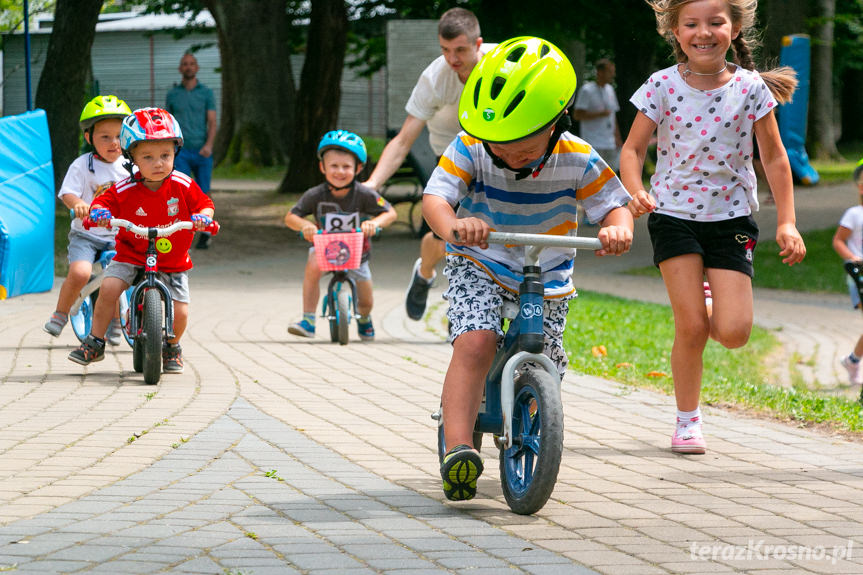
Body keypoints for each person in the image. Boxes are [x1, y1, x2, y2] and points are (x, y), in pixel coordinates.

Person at [423, 37, 633, 501]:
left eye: (520, 147)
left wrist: (619, 230)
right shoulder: (472, 146)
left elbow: (614, 206)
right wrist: (455, 225)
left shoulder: (578, 157)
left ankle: (532, 413)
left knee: (548, 361)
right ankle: (458, 445)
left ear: (556, 123)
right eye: (498, 145)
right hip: (481, 261)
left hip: (547, 272)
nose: (506, 155)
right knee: (476, 342)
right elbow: (435, 198)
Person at [620, 0, 807, 455]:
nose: (704, 32)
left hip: (732, 220)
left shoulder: (750, 88)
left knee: (734, 333)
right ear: (675, 32)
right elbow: (632, 150)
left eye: (715, 22)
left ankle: (711, 291)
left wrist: (788, 221)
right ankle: (687, 422)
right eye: (692, 24)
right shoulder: (660, 86)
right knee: (691, 328)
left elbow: (776, 157)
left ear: (734, 27)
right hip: (674, 216)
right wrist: (634, 191)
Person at [363, 7, 492, 322]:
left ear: (479, 45)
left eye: (460, 50)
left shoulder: (502, 65)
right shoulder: (435, 77)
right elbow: (404, 140)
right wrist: (371, 185)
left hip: (494, 152)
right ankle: (425, 272)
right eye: (445, 50)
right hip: (451, 156)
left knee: (493, 228)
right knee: (443, 235)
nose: (453, 59)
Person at [68, 108, 215, 373]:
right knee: (110, 288)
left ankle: (172, 346)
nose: (158, 163)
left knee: (180, 311)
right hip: (131, 253)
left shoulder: (182, 184)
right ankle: (96, 341)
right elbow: (104, 201)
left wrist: (203, 217)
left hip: (173, 260)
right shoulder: (124, 188)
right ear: (131, 158)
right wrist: (99, 213)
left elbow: (204, 204)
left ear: (175, 153)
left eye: (165, 155)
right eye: (148, 156)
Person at [285, 130, 397, 341]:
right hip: (325, 250)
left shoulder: (364, 194)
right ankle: (308, 319)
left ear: (358, 169)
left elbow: (390, 213)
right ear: (322, 167)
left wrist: (374, 223)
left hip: (357, 255)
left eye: (346, 166)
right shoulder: (315, 195)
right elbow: (290, 217)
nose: (340, 171)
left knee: (366, 302)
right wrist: (304, 226)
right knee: (312, 265)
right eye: (334, 166)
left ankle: (364, 318)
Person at [43, 95, 132, 344]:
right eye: (105, 137)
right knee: (81, 273)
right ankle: (61, 312)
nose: (114, 143)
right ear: (89, 138)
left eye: (119, 136)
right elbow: (67, 193)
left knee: (119, 277)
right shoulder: (83, 165)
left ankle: (117, 320)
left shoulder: (130, 166)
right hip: (87, 234)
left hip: (118, 235)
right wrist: (79, 205)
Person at [166, 52, 217, 249]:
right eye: (185, 64)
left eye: (192, 64)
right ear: (180, 69)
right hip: (182, 152)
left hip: (202, 150)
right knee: (181, 193)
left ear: (196, 68)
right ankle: (181, 232)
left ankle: (205, 232)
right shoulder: (173, 94)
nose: (188, 67)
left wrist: (209, 145)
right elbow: (167, 123)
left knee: (204, 192)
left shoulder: (206, 93)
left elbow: (212, 121)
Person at [833, 158, 863, 385]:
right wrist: (852, 258)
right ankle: (853, 360)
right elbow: (838, 241)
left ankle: (853, 360)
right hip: (859, 276)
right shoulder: (854, 214)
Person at [573, 58, 623, 172]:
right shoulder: (587, 90)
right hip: (593, 141)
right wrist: (599, 114)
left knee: (610, 172)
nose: (613, 75)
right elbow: (577, 115)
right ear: (600, 72)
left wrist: (618, 138)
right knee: (593, 173)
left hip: (609, 141)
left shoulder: (610, 89)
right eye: (610, 72)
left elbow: (613, 116)